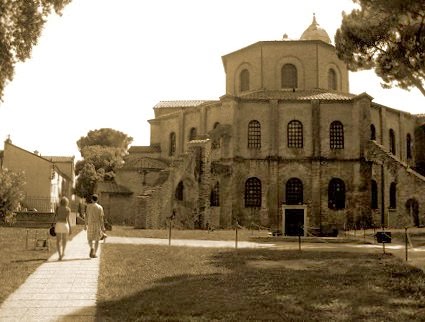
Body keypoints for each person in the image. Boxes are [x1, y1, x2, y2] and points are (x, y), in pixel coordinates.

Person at [84, 194, 105, 258]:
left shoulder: (88, 206)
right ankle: (94, 253)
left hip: (90, 224)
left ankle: (92, 248)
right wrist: (103, 227)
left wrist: (85, 225)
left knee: (89, 239)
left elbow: (86, 216)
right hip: (97, 225)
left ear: (91, 199)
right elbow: (101, 218)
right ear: (97, 200)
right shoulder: (100, 207)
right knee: (97, 240)